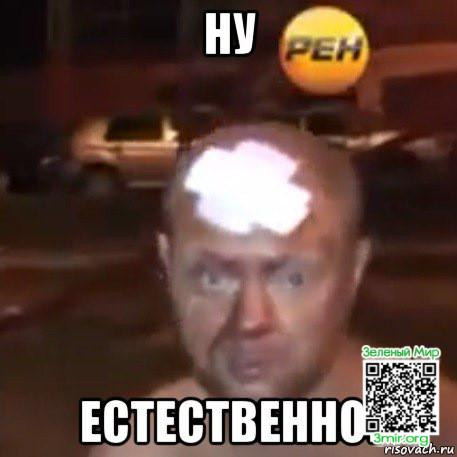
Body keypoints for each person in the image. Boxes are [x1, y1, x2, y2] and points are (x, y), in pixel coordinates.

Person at [91, 124, 456, 457]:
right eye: (213, 278)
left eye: (291, 279)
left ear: (354, 270)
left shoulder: (416, 404)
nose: (250, 320)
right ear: (168, 265)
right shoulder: (146, 443)